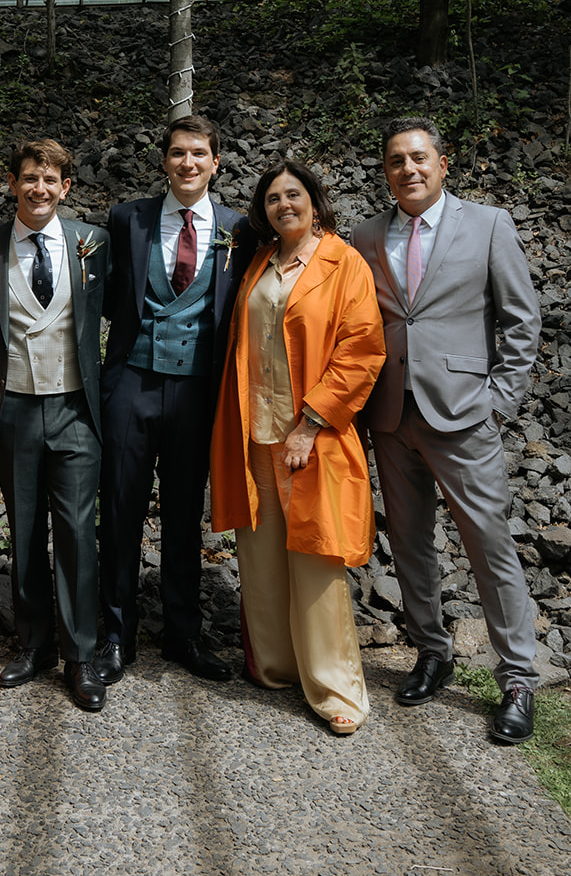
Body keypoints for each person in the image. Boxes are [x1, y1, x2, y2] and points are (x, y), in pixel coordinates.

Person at [352, 118, 542, 744]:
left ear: (442, 163)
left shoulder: (488, 225)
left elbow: (521, 320)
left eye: (418, 158)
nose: (407, 169)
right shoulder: (366, 235)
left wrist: (499, 400)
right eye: (395, 161)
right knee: (408, 542)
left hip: (464, 414)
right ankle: (432, 651)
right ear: (385, 171)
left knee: (489, 543)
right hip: (390, 415)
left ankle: (516, 677)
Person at [211, 161, 385, 735]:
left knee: (315, 556)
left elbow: (361, 350)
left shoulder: (343, 262)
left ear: (314, 199)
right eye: (273, 198)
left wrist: (310, 426)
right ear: (263, 209)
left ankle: (336, 688)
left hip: (308, 436)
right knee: (260, 552)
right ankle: (276, 665)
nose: (284, 205)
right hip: (252, 431)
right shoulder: (261, 260)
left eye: (294, 194)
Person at [96, 114, 256, 684]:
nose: (188, 163)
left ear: (216, 162)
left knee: (186, 514)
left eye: (199, 154)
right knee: (119, 510)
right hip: (132, 384)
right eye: (177, 153)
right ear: (163, 160)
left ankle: (183, 633)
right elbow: (112, 297)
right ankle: (116, 635)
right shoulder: (127, 219)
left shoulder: (241, 228)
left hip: (197, 391)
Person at [0, 139, 112, 713]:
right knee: (24, 527)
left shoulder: (93, 242)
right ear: (12, 183)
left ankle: (81, 654)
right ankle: (34, 645)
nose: (40, 189)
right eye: (29, 179)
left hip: (76, 405)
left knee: (77, 532)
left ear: (66, 187)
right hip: (16, 408)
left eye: (51, 180)